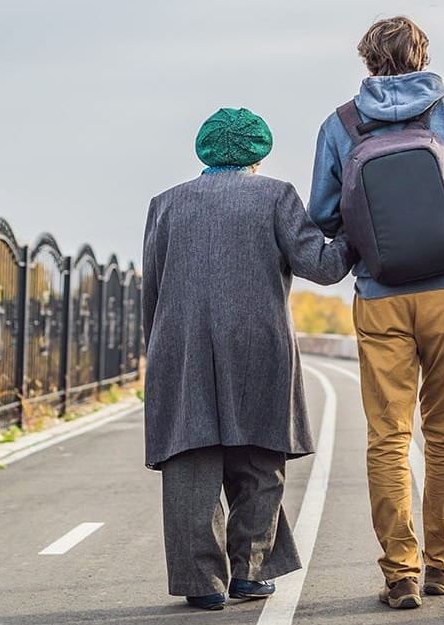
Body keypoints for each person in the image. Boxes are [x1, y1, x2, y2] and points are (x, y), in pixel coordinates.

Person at [307, 15, 444, 610]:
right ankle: (443, 565)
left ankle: (400, 572)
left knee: (387, 437)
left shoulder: (341, 123)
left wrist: (371, 249)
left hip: (381, 296)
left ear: (368, 61)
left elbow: (324, 216)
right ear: (423, 55)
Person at [142, 107, 355, 610]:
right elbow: (321, 267)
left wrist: (157, 350)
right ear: (258, 155)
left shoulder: (165, 205)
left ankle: (202, 583)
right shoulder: (275, 196)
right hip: (259, 346)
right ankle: (249, 572)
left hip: (180, 347)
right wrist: (352, 232)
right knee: (260, 459)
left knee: (190, 458)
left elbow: (152, 288)